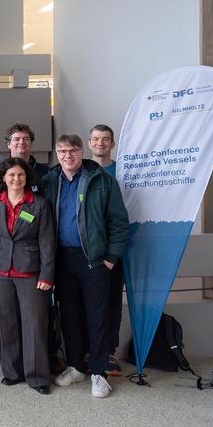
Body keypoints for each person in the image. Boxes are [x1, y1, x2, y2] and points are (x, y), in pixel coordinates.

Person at [42, 134, 129, 398]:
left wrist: (111, 258)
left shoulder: (102, 180)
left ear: (82, 152)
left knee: (97, 316)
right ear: (57, 153)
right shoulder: (49, 181)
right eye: (62, 151)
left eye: (73, 150)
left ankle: (99, 373)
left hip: (94, 260)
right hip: (62, 260)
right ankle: (76, 366)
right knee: (69, 315)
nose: (67, 155)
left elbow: (119, 222)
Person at [0, 157, 55, 395]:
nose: (16, 179)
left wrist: (47, 274)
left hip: (30, 270)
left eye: (20, 175)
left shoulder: (39, 204)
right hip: (0, 270)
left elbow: (47, 241)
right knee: (6, 322)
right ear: (3, 178)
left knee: (34, 324)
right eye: (11, 175)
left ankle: (38, 377)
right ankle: (12, 372)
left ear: (26, 178)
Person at [87, 124, 123, 375]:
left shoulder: (122, 171)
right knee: (85, 304)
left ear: (113, 143)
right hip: (85, 253)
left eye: (105, 139)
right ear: (89, 143)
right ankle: (89, 351)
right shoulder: (82, 170)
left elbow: (119, 217)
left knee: (111, 303)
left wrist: (112, 256)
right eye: (96, 139)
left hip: (111, 253)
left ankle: (109, 351)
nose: (100, 143)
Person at [0, 123, 49, 196]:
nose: (21, 142)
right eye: (17, 139)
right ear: (8, 144)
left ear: (31, 143)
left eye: (26, 139)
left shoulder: (46, 173)